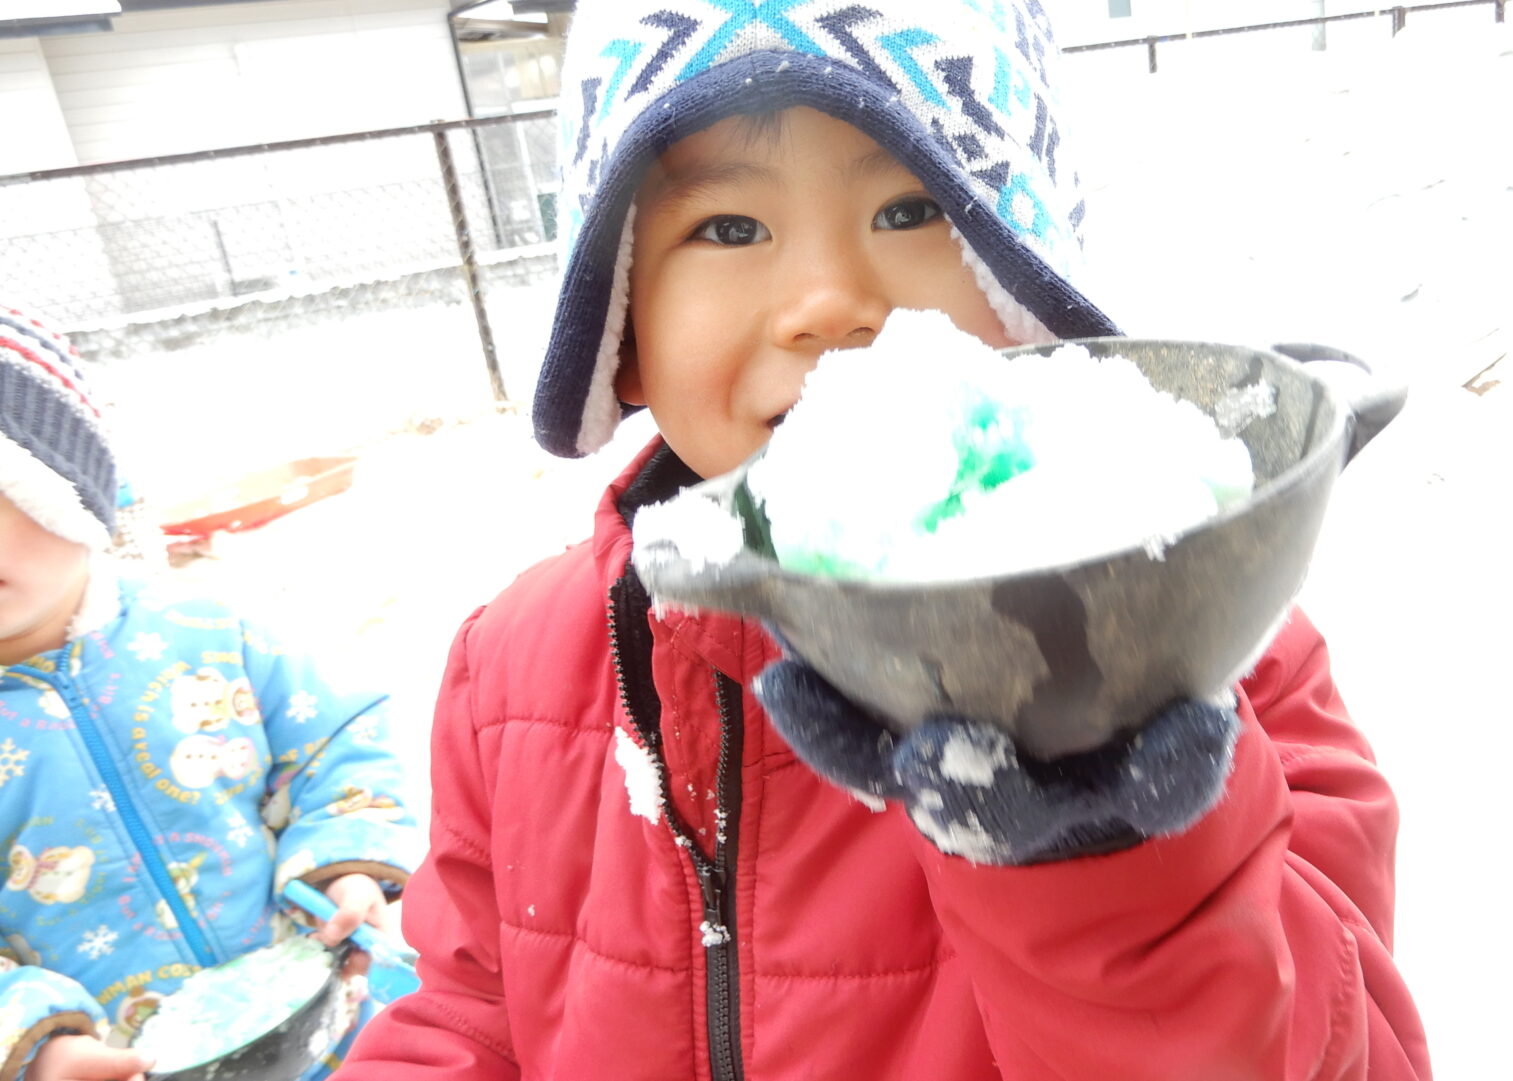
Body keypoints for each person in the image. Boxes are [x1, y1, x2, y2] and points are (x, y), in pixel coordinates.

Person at [338, 2, 1429, 1079]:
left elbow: (1342, 1054)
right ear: (621, 331)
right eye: (729, 229)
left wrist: (1111, 865)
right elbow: (470, 1018)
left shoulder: (1206, 649)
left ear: (1030, 296)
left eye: (912, 210)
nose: (827, 303)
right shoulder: (511, 672)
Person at [0, 306, 424, 1081]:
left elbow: (338, 737)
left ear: (70, 486)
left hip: (332, 1020)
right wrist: (31, 1041)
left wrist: (342, 863)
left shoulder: (206, 629)